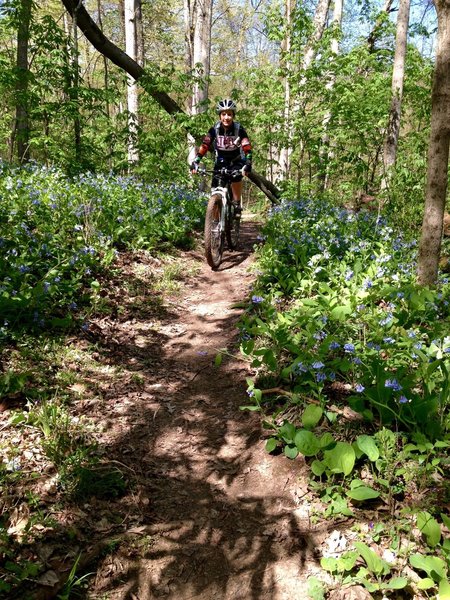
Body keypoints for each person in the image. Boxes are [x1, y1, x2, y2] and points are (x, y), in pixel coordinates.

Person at [190, 99, 252, 213]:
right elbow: (205, 145)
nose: (226, 117)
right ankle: (215, 219)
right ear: (220, 116)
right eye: (224, 114)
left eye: (229, 114)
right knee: (215, 189)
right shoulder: (215, 129)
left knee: (235, 177)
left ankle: (237, 203)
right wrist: (196, 161)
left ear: (233, 116)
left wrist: (248, 163)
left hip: (236, 160)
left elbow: (247, 147)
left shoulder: (239, 129)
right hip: (221, 161)